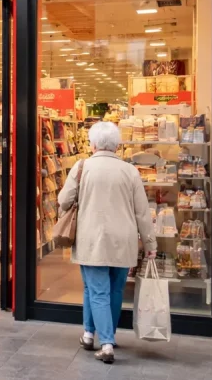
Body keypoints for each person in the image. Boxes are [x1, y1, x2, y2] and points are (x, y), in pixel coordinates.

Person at [57, 121, 156, 364]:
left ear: (92, 144)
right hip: (123, 240)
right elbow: (142, 212)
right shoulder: (130, 171)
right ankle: (89, 334)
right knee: (113, 290)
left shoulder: (82, 167)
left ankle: (107, 343)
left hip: (92, 239)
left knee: (95, 289)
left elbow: (63, 200)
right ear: (116, 145)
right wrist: (150, 244)